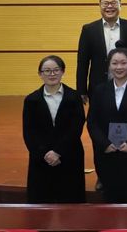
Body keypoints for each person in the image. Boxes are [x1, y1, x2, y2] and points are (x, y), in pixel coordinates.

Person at [87, 48, 127, 203]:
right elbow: (92, 122)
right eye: (114, 63)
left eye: (123, 63)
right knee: (109, 198)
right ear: (109, 65)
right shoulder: (99, 90)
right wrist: (104, 144)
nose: (119, 67)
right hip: (106, 153)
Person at [22, 55, 85, 203]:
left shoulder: (74, 97)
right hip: (42, 158)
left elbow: (76, 127)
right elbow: (29, 132)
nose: (52, 74)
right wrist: (45, 154)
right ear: (40, 74)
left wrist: (58, 151)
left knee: (70, 202)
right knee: (42, 202)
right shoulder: (31, 100)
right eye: (47, 71)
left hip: (69, 155)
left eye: (56, 70)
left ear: (63, 72)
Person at [76, 0, 127, 104]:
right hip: (98, 86)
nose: (109, 6)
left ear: (120, 5)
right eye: (105, 3)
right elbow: (82, 61)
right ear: (100, 6)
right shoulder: (89, 29)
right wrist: (81, 90)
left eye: (113, 3)